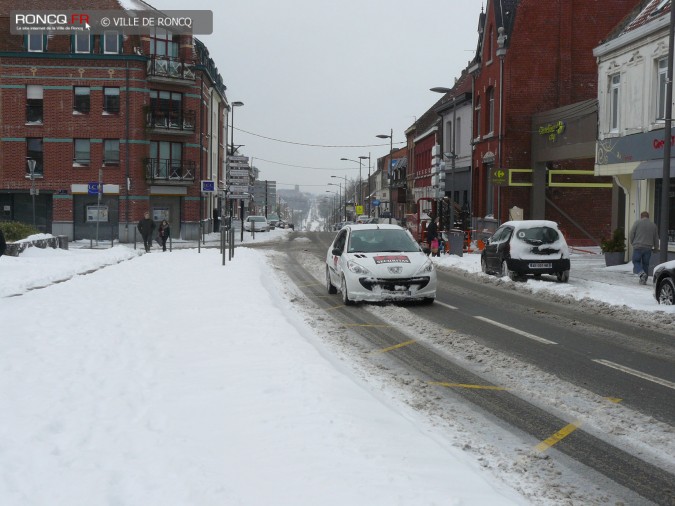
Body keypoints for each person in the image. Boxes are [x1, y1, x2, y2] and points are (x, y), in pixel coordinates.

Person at [629, 211, 659, 285]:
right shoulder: (653, 225)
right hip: (648, 247)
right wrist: (656, 248)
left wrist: (632, 242)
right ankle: (644, 280)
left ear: (641, 216)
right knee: (646, 264)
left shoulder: (637, 223)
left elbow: (631, 233)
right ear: (648, 217)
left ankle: (641, 274)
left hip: (638, 246)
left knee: (635, 261)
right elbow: (656, 238)